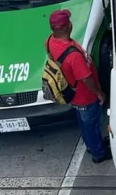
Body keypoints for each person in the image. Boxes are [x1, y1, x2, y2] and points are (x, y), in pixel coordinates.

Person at [47, 9, 112, 163]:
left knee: (85, 124)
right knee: (92, 123)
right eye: (69, 21)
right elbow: (86, 79)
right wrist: (99, 93)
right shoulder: (74, 56)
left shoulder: (50, 40)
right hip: (85, 97)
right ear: (66, 27)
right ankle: (98, 153)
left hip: (73, 95)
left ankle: (94, 144)